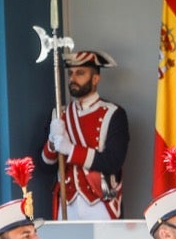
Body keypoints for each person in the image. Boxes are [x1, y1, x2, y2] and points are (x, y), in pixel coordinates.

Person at [39, 50, 128, 220]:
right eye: (71, 73)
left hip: (101, 201)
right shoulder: (58, 114)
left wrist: (71, 150)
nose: (73, 78)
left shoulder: (114, 113)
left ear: (96, 79)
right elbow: (45, 167)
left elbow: (113, 162)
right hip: (67, 202)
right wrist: (51, 143)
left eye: (80, 73)